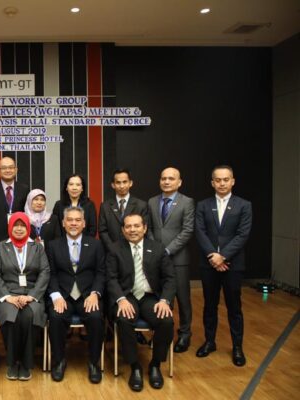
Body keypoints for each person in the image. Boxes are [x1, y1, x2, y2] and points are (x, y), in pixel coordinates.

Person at [107, 214, 175, 392]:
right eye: (128, 226)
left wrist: (164, 300)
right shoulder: (115, 249)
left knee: (166, 320)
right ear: (123, 230)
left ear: (144, 228)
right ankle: (135, 366)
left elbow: (170, 278)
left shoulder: (158, 248)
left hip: (151, 297)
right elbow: (111, 279)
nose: (132, 230)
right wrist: (121, 299)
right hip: (127, 296)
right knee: (123, 319)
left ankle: (155, 364)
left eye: (136, 226)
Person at [195, 165, 252, 367]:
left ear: (233, 181)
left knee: (234, 307)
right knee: (209, 305)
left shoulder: (244, 205)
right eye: (218, 180)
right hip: (208, 263)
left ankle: (237, 347)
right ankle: (209, 342)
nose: (222, 183)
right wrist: (213, 256)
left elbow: (243, 235)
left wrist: (223, 256)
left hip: (232, 265)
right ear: (212, 182)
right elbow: (200, 232)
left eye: (226, 179)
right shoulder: (203, 205)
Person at [47, 207, 106, 383]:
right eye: (70, 220)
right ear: (63, 223)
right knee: (55, 317)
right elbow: (50, 274)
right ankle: (59, 361)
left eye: (78, 220)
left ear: (84, 223)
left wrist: (95, 293)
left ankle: (94, 362)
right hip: (63, 295)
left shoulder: (95, 244)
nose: (74, 223)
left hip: (87, 295)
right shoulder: (53, 245)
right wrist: (56, 295)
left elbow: (101, 272)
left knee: (96, 317)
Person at [0, 212, 50, 381]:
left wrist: (31, 296)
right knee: (12, 317)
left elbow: (45, 272)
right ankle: (12, 362)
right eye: (16, 225)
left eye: (23, 225)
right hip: (8, 295)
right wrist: (7, 296)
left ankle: (25, 363)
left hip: (31, 294)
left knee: (29, 316)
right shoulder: (1, 246)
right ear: (10, 227)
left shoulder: (37, 247)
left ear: (28, 228)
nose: (19, 229)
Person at [147, 167, 195, 353]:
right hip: (157, 259)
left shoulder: (187, 202)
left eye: (171, 178)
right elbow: (149, 228)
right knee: (161, 297)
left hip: (178, 259)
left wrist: (167, 251)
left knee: (183, 299)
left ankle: (184, 334)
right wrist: (156, 251)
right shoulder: (152, 201)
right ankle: (162, 335)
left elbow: (187, 231)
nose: (166, 181)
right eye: (163, 178)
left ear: (179, 182)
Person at [0, 157, 29, 250]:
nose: (8, 170)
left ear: (16, 170)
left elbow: (27, 216)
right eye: (4, 168)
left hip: (19, 240)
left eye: (11, 167)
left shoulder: (24, 189)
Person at [98, 169, 149, 253]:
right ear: (113, 185)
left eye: (125, 182)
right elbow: (103, 231)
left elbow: (144, 230)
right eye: (118, 182)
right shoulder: (105, 206)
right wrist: (112, 248)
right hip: (112, 252)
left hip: (135, 251)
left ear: (130, 183)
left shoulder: (141, 205)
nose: (121, 186)